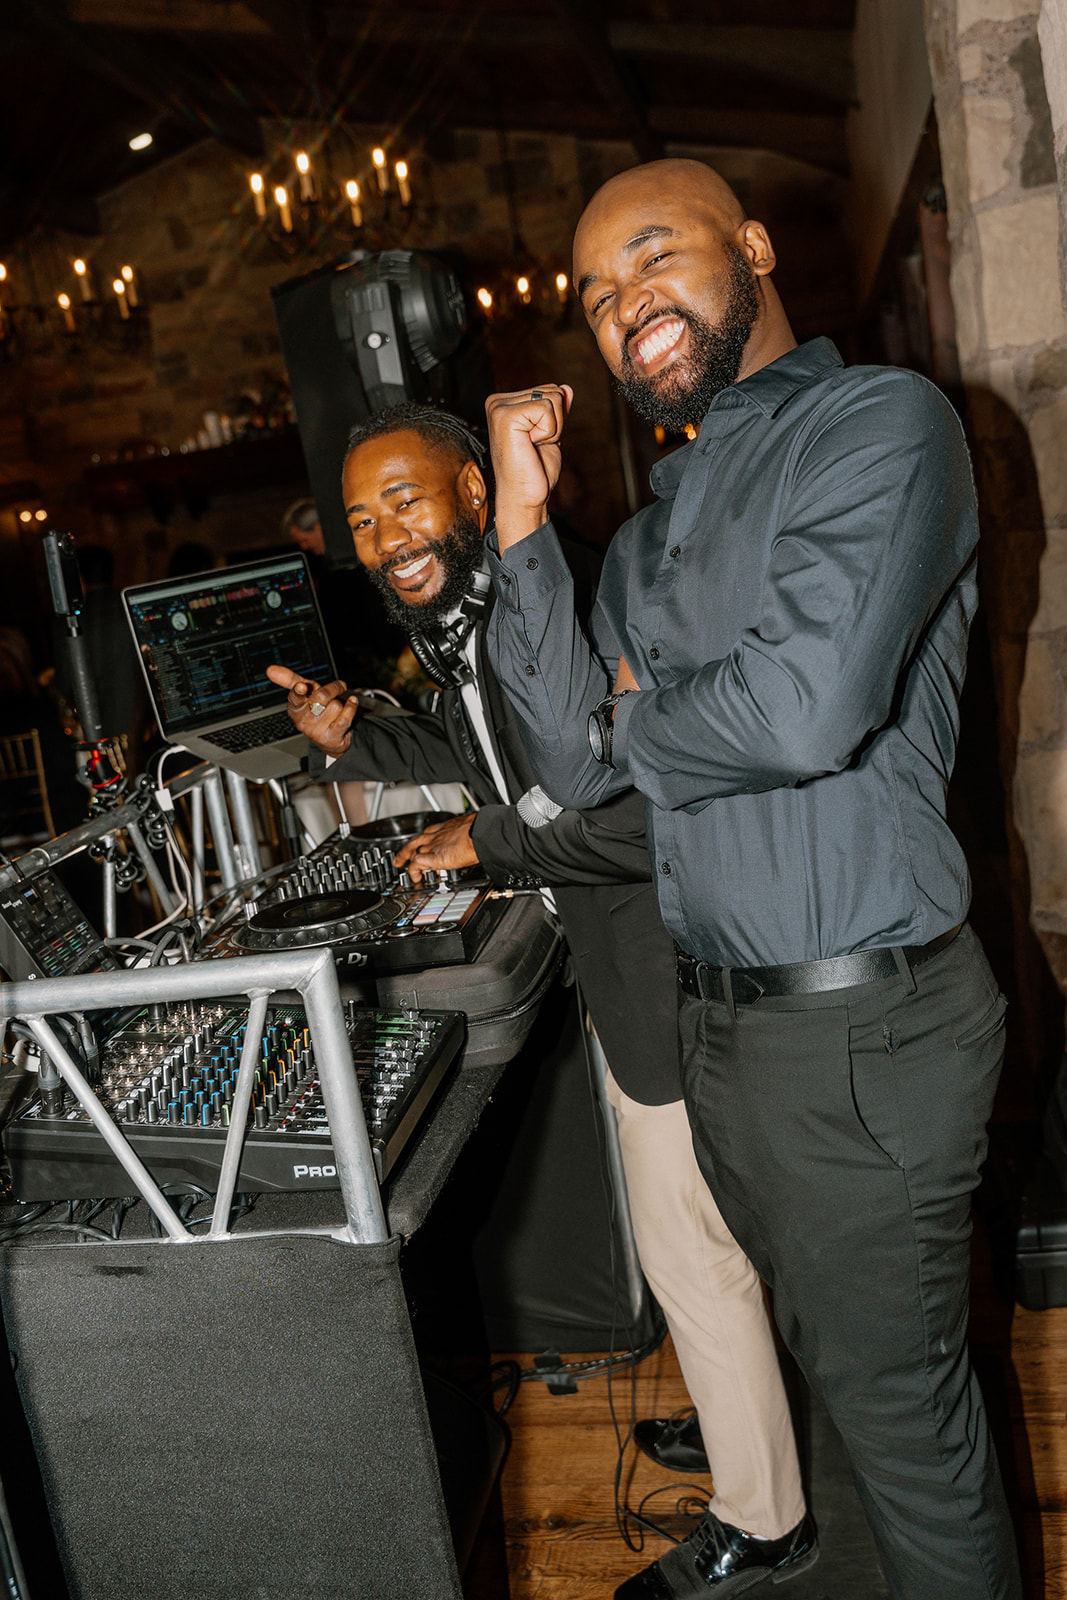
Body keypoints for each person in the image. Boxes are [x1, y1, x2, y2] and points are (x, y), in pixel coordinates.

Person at [482, 158, 1021, 1600]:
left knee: (910, 1431)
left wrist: (637, 712)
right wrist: (523, 532)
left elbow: (797, 711)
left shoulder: (877, 424)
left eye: (651, 255)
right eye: (595, 296)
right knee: (844, 1388)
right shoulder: (650, 533)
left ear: (756, 247)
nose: (623, 307)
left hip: (864, 1032)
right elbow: (566, 765)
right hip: (724, 1035)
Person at [265, 401, 808, 1567]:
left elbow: (645, 817)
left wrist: (490, 843)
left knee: (689, 1250)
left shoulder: (563, 601)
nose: (382, 535)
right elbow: (487, 758)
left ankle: (764, 1518)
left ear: (474, 490)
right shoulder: (473, 617)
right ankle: (749, 1414)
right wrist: (350, 742)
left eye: (404, 499)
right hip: (635, 970)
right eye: (360, 519)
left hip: (671, 963)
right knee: (710, 1241)